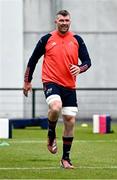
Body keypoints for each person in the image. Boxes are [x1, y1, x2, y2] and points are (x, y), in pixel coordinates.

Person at [23, 10, 91, 169]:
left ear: (70, 21)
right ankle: (51, 133)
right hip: (51, 82)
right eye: (61, 20)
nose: (64, 23)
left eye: (67, 20)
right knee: (55, 107)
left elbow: (88, 61)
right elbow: (33, 60)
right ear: (56, 21)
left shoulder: (77, 40)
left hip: (69, 86)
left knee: (70, 120)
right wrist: (27, 81)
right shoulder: (46, 39)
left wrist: (80, 68)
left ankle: (65, 159)